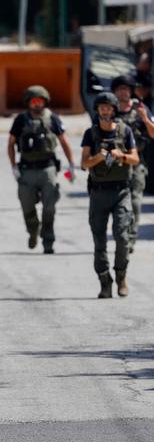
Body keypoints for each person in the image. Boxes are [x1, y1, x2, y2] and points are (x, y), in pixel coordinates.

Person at [81, 92, 140, 298]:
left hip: (121, 192)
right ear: (97, 111)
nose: (105, 111)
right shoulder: (91, 134)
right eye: (101, 108)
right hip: (98, 193)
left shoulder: (125, 132)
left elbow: (134, 159)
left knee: (122, 237)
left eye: (108, 107)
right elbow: (84, 163)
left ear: (114, 109)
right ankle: (104, 280)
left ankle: (121, 276)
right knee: (99, 241)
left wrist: (121, 155)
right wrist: (98, 157)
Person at [7, 85, 76, 254]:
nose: (37, 104)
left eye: (40, 101)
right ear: (28, 103)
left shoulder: (53, 119)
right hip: (27, 170)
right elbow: (10, 143)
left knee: (49, 207)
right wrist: (13, 166)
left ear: (45, 102)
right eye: (33, 101)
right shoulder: (21, 120)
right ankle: (32, 231)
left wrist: (71, 165)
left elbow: (64, 141)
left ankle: (48, 240)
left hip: (48, 169)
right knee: (27, 206)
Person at [111, 75, 154, 253]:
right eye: (120, 89)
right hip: (114, 166)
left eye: (127, 89)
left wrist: (145, 119)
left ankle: (131, 237)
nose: (124, 92)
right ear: (115, 92)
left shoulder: (141, 110)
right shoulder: (108, 111)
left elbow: (153, 134)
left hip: (137, 165)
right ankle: (121, 235)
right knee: (117, 205)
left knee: (135, 202)